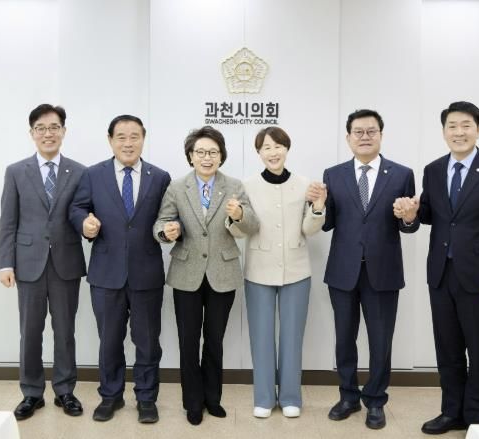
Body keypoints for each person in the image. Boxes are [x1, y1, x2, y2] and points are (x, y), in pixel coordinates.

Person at [397, 101, 479, 434]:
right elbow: (429, 215)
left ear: (478, 130)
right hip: (441, 274)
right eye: (452, 126)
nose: (459, 132)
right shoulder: (434, 170)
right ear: (444, 131)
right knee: (447, 348)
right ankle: (451, 411)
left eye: (466, 125)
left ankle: (475, 417)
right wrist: (410, 215)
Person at [153, 126, 259, 425]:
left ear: (221, 156)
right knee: (188, 341)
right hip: (186, 272)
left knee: (214, 340)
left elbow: (251, 225)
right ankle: (192, 402)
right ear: (190, 156)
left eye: (213, 152)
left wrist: (239, 215)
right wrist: (167, 231)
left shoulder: (234, 186)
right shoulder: (177, 187)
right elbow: (161, 221)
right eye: (200, 152)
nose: (207, 157)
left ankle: (213, 399)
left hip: (222, 273)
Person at [68, 115, 171, 424]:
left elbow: (167, 216)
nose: (128, 143)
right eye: (121, 137)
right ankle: (110, 396)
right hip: (105, 273)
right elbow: (77, 208)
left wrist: (170, 229)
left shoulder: (160, 177)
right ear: (110, 140)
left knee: (148, 342)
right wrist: (85, 224)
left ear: (143, 138)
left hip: (146, 273)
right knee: (109, 341)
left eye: (134, 136)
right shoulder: (93, 174)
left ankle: (146, 398)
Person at [320, 109, 418, 430]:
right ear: (348, 137)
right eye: (358, 132)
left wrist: (408, 217)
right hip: (343, 271)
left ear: (381, 135)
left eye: (371, 131)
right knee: (344, 339)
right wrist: (317, 206)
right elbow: (327, 223)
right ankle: (348, 396)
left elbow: (408, 223)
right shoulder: (333, 174)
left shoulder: (401, 174)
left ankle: (375, 400)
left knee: (380, 341)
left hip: (383, 272)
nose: (365, 137)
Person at [0, 104, 86, 420]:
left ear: (63, 131)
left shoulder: (80, 172)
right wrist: (5, 263)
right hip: (28, 263)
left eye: (54, 127)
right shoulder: (16, 171)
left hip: (66, 262)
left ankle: (65, 391)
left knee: (65, 331)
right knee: (30, 331)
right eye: (41, 128)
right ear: (32, 133)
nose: (48, 133)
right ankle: (32, 393)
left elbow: (83, 213)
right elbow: (8, 221)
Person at [239, 127, 326, 419]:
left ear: (287, 149)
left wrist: (318, 207)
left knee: (292, 337)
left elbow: (309, 229)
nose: (273, 152)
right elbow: (241, 230)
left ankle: (290, 397)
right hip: (258, 270)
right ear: (259, 153)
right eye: (266, 147)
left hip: (297, 271)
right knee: (261, 337)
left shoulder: (305, 184)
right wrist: (235, 218)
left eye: (278, 146)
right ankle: (264, 398)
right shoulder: (247, 186)